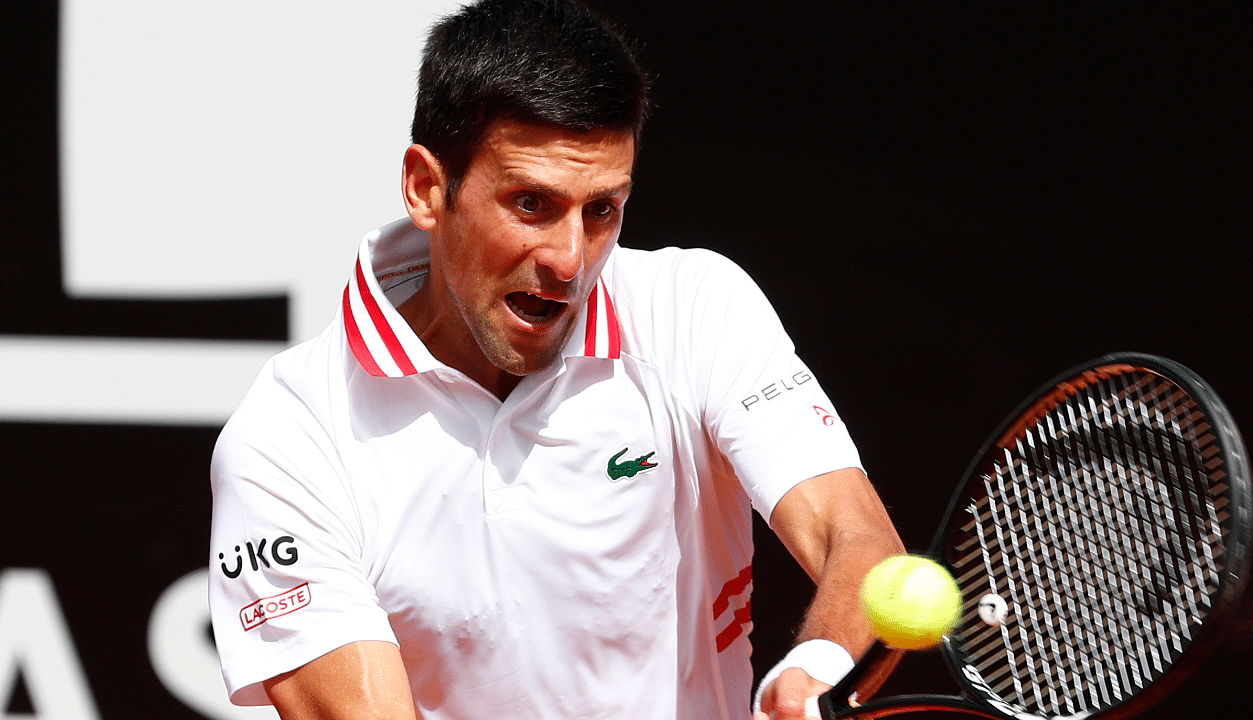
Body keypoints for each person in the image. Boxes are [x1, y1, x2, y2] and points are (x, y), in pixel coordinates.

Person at [207, 1, 904, 718]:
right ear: (426, 188)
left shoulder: (697, 310)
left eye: (602, 210)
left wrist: (815, 672)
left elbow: (858, 542)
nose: (570, 260)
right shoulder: (288, 440)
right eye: (531, 203)